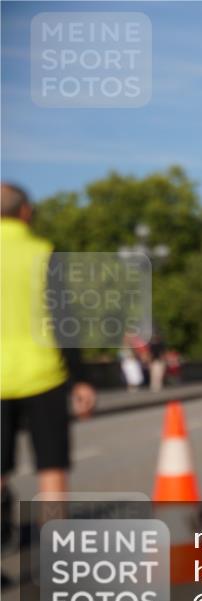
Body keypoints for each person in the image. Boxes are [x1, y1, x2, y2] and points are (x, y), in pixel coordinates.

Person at [1, 183, 97, 549]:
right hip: (44, 374)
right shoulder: (44, 253)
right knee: (51, 468)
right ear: (26, 211)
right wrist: (81, 380)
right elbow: (63, 320)